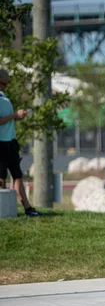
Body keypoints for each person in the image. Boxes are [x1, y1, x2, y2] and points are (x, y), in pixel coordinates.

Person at [0, 69, 41, 216]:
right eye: (4, 84)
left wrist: (17, 117)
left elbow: (6, 119)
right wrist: (13, 115)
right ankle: (3, 211)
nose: (6, 86)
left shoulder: (4, 97)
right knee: (1, 178)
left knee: (17, 175)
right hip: (0, 144)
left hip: (10, 142)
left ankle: (28, 208)